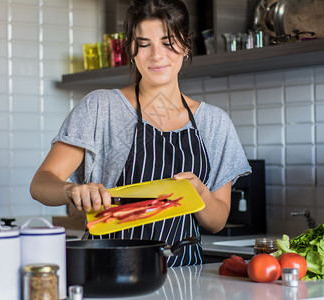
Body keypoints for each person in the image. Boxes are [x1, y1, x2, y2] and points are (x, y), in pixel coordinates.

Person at [30, 0, 251, 267]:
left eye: (168, 42)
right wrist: (72, 190)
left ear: (186, 44)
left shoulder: (215, 123)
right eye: (144, 44)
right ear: (131, 50)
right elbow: (41, 183)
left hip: (185, 278)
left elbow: (217, 222)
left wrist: (200, 193)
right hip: (109, 270)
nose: (157, 55)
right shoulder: (101, 107)